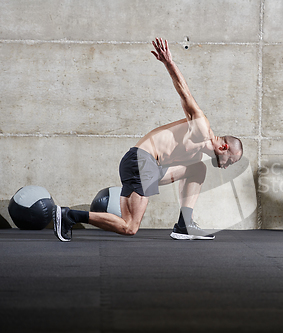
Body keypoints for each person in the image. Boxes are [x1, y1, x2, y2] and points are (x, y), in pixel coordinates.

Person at [53, 37, 243, 242]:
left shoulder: (198, 154)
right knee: (130, 227)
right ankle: (69, 216)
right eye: (229, 161)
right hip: (142, 162)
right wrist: (169, 63)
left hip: (145, 166)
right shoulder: (202, 130)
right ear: (224, 146)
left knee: (198, 169)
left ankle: (184, 225)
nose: (226, 167)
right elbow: (185, 93)